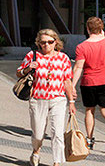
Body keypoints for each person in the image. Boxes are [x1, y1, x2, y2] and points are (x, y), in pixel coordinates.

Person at [17, 27, 76, 166]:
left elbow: (67, 81)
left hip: (58, 99)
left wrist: (71, 102)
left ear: (56, 42)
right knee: (38, 134)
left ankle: (57, 162)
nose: (46, 45)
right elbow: (19, 73)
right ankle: (36, 151)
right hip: (38, 99)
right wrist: (28, 68)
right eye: (43, 42)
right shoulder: (32, 55)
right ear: (39, 43)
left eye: (50, 42)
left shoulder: (63, 58)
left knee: (57, 132)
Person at [71, 16, 105, 153]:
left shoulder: (82, 47)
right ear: (101, 29)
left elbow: (78, 67)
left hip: (89, 82)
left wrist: (72, 85)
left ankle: (89, 140)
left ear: (88, 29)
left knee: (90, 111)